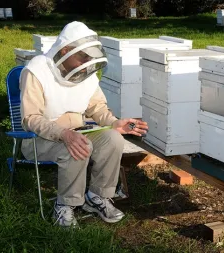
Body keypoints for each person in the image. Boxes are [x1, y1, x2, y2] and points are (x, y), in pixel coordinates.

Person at [19, 21, 148, 227]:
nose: (88, 61)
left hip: (78, 131)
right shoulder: (35, 71)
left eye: (90, 56)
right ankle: (65, 205)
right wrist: (64, 134)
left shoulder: (84, 72)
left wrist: (115, 123)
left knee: (113, 139)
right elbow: (31, 118)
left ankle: (98, 196)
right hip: (40, 139)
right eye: (83, 56)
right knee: (79, 146)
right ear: (66, 50)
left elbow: (97, 107)